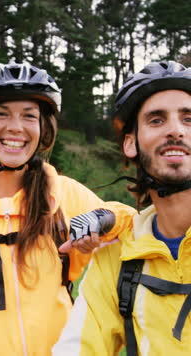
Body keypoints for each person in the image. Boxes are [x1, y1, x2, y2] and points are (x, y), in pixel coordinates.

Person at [0, 61, 135, 356]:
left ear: (42, 127)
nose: (16, 127)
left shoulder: (63, 196)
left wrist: (104, 220)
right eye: (1, 114)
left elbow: (134, 227)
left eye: (29, 116)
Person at [53, 60, 191, 356]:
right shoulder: (115, 261)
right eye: (157, 120)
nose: (176, 130)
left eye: (189, 119)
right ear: (131, 144)